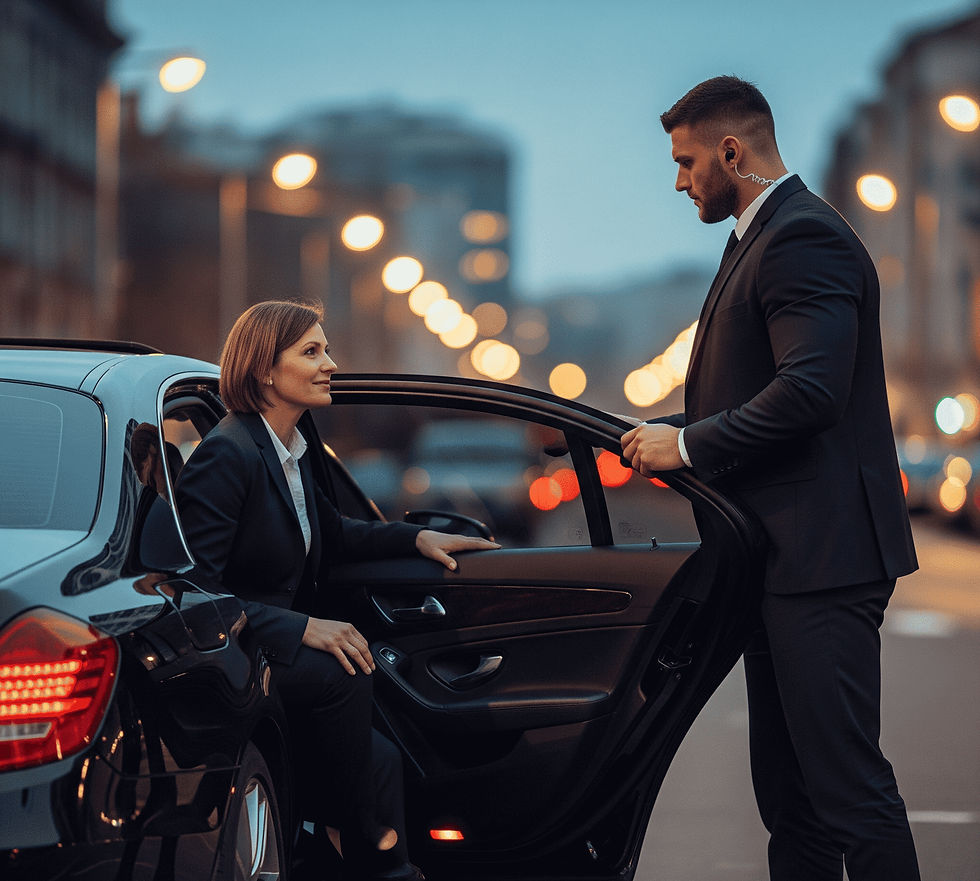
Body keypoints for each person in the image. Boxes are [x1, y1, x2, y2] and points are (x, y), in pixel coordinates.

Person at [620, 76, 920, 881]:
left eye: (687, 162)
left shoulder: (801, 238)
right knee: (792, 803)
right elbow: (756, 400)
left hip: (823, 561)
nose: (679, 180)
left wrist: (684, 449)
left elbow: (811, 393)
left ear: (731, 150)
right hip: (783, 560)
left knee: (848, 792)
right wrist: (658, 434)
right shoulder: (759, 236)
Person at [175, 299, 499, 881]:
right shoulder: (228, 454)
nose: (331, 363)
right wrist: (303, 627)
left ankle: (371, 859)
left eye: (325, 349)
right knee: (341, 667)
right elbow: (194, 588)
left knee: (380, 759)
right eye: (312, 352)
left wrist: (418, 538)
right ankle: (344, 851)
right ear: (263, 370)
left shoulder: (286, 452)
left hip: (273, 647)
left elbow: (335, 534)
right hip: (237, 652)